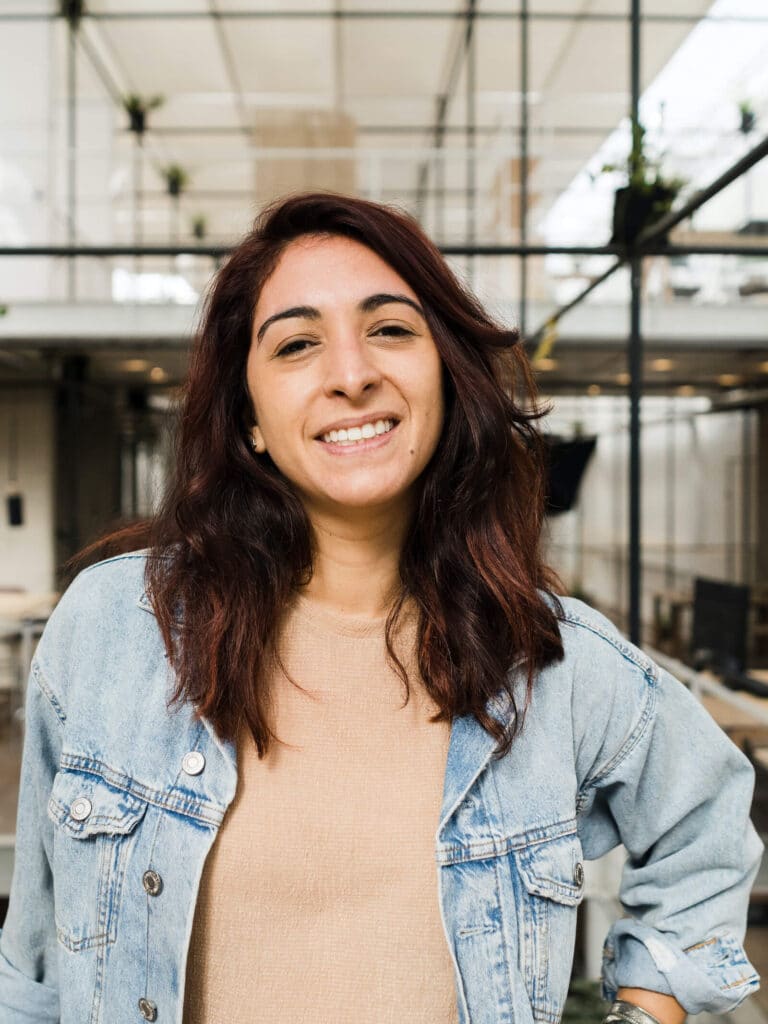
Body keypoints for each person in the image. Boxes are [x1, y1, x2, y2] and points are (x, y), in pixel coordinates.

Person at [0, 192, 762, 1024]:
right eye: (296, 344)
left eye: (390, 329)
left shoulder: (554, 662)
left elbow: (709, 829)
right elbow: (34, 970)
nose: (352, 373)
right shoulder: (117, 627)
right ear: (249, 418)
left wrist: (645, 1014)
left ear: (444, 374)